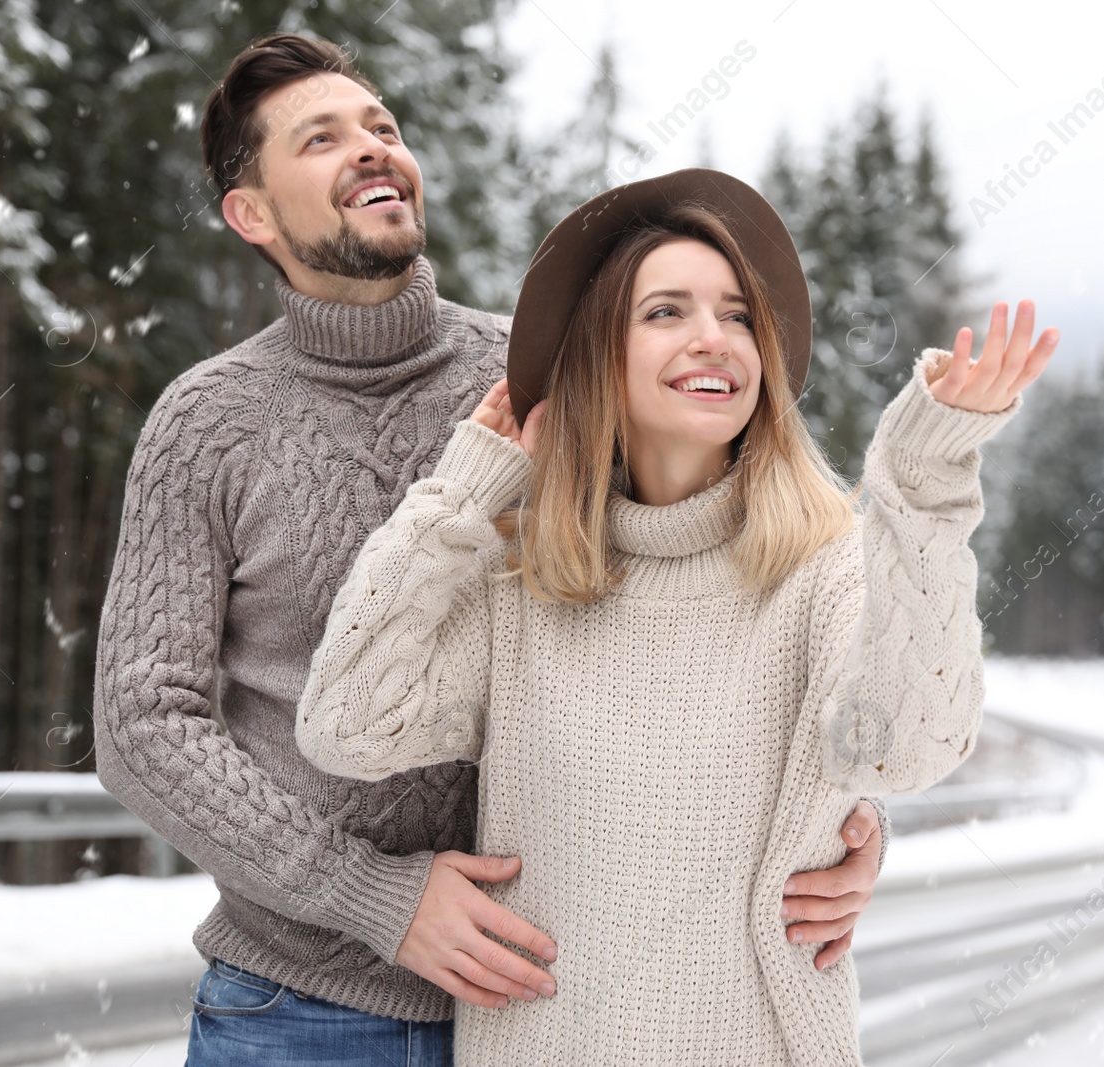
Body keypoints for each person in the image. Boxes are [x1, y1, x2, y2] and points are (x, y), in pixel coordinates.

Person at [90, 35, 890, 1067]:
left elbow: (694, 610)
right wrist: (373, 895)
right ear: (251, 214)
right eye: (321, 139)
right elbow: (143, 723)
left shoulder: (533, 379)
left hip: (547, 1003)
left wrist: (838, 819)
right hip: (301, 1010)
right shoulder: (207, 422)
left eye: (381, 126)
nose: (372, 148)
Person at [294, 169, 1057, 1065]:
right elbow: (345, 724)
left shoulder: (825, 566)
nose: (715, 339)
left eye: (738, 315)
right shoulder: (520, 585)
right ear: (597, 358)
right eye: (667, 312)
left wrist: (922, 485)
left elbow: (908, 745)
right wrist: (464, 490)